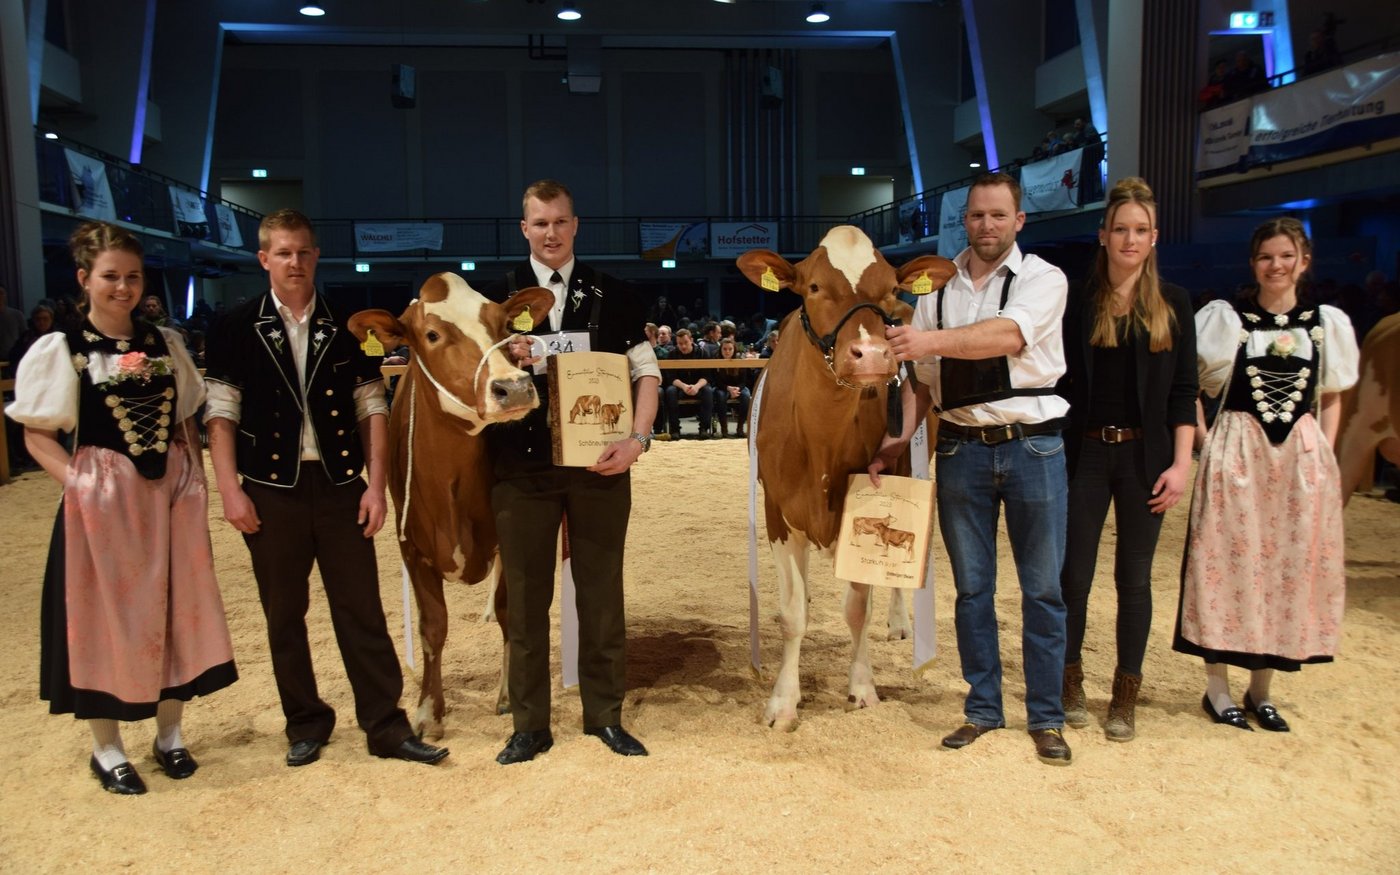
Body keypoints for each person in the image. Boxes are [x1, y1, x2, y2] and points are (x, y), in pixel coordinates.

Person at [204, 209, 447, 768]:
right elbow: (220, 411)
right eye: (283, 253)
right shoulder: (235, 325)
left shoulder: (347, 324)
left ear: (315, 256)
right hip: (269, 489)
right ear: (264, 259)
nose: (294, 262)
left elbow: (371, 406)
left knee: (362, 610)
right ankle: (306, 721)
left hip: (341, 487)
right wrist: (229, 491)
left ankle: (384, 725)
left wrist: (375, 487)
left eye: (302, 252)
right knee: (284, 614)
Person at [6, 221, 237, 795]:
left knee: (176, 607)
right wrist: (80, 485)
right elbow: (36, 434)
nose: (124, 287)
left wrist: (193, 476)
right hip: (103, 506)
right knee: (104, 617)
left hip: (169, 500)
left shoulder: (165, 343)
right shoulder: (63, 349)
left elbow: (185, 416)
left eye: (133, 276)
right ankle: (106, 748)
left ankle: (169, 736)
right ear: (84, 278)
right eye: (111, 276)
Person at [869, 172, 1073, 766]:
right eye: (977, 215)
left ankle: (1046, 716)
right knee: (973, 589)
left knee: (1043, 590)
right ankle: (983, 707)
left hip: (1034, 445)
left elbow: (1007, 335)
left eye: (998, 215)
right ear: (965, 220)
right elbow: (922, 383)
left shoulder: (1044, 278)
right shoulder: (936, 290)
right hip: (960, 446)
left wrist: (927, 341)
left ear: (1019, 221)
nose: (987, 225)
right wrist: (895, 442)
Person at [488, 179, 660, 764]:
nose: (551, 233)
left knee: (602, 594)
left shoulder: (617, 295)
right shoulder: (494, 299)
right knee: (525, 600)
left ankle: (605, 716)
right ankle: (529, 725)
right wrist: (504, 362)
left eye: (560, 221)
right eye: (540, 223)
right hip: (519, 470)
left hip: (601, 466)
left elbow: (647, 374)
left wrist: (638, 441)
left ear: (576, 225)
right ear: (524, 229)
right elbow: (476, 384)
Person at [1174, 217, 1359, 732]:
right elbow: (1188, 384)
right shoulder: (1229, 319)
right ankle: (1217, 688)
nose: (1275, 266)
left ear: (1304, 261)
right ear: (1253, 263)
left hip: (1298, 459)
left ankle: (1261, 690)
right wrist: (1208, 441)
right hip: (1238, 451)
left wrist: (1324, 453)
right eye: (1265, 257)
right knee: (1225, 564)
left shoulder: (1324, 323)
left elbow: (1332, 395)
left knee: (1285, 567)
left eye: (1285, 256)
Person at [1055, 178, 1197, 742]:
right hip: (1085, 454)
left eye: (1140, 230)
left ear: (1154, 237)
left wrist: (1181, 465)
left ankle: (1124, 695)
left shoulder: (1175, 303)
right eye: (1120, 229)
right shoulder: (1077, 300)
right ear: (1103, 235)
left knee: (1134, 581)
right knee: (1074, 578)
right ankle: (1069, 681)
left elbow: (1184, 392)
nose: (1130, 239)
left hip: (1147, 459)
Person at [662, 327, 715, 440]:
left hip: (698, 385)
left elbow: (707, 376)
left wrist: (696, 386)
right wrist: (684, 386)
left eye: (686, 342)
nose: (683, 346)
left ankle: (704, 429)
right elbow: (671, 378)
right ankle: (675, 429)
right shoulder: (672, 354)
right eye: (680, 344)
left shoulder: (702, 353)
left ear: (691, 340)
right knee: (670, 391)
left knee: (708, 391)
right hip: (680, 387)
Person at [711, 336, 753, 438]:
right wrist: (728, 388)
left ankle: (740, 428)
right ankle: (724, 429)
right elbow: (716, 381)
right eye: (724, 349)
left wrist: (737, 389)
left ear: (734, 350)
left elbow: (743, 381)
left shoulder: (739, 360)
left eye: (730, 349)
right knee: (720, 396)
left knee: (746, 396)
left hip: (738, 387)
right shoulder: (715, 360)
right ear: (720, 349)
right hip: (722, 387)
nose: (727, 352)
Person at [0, 283, 25, 363]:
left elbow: (24, 337)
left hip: (13, 359)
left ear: (5, 295)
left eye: (1, 293)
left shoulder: (17, 315)